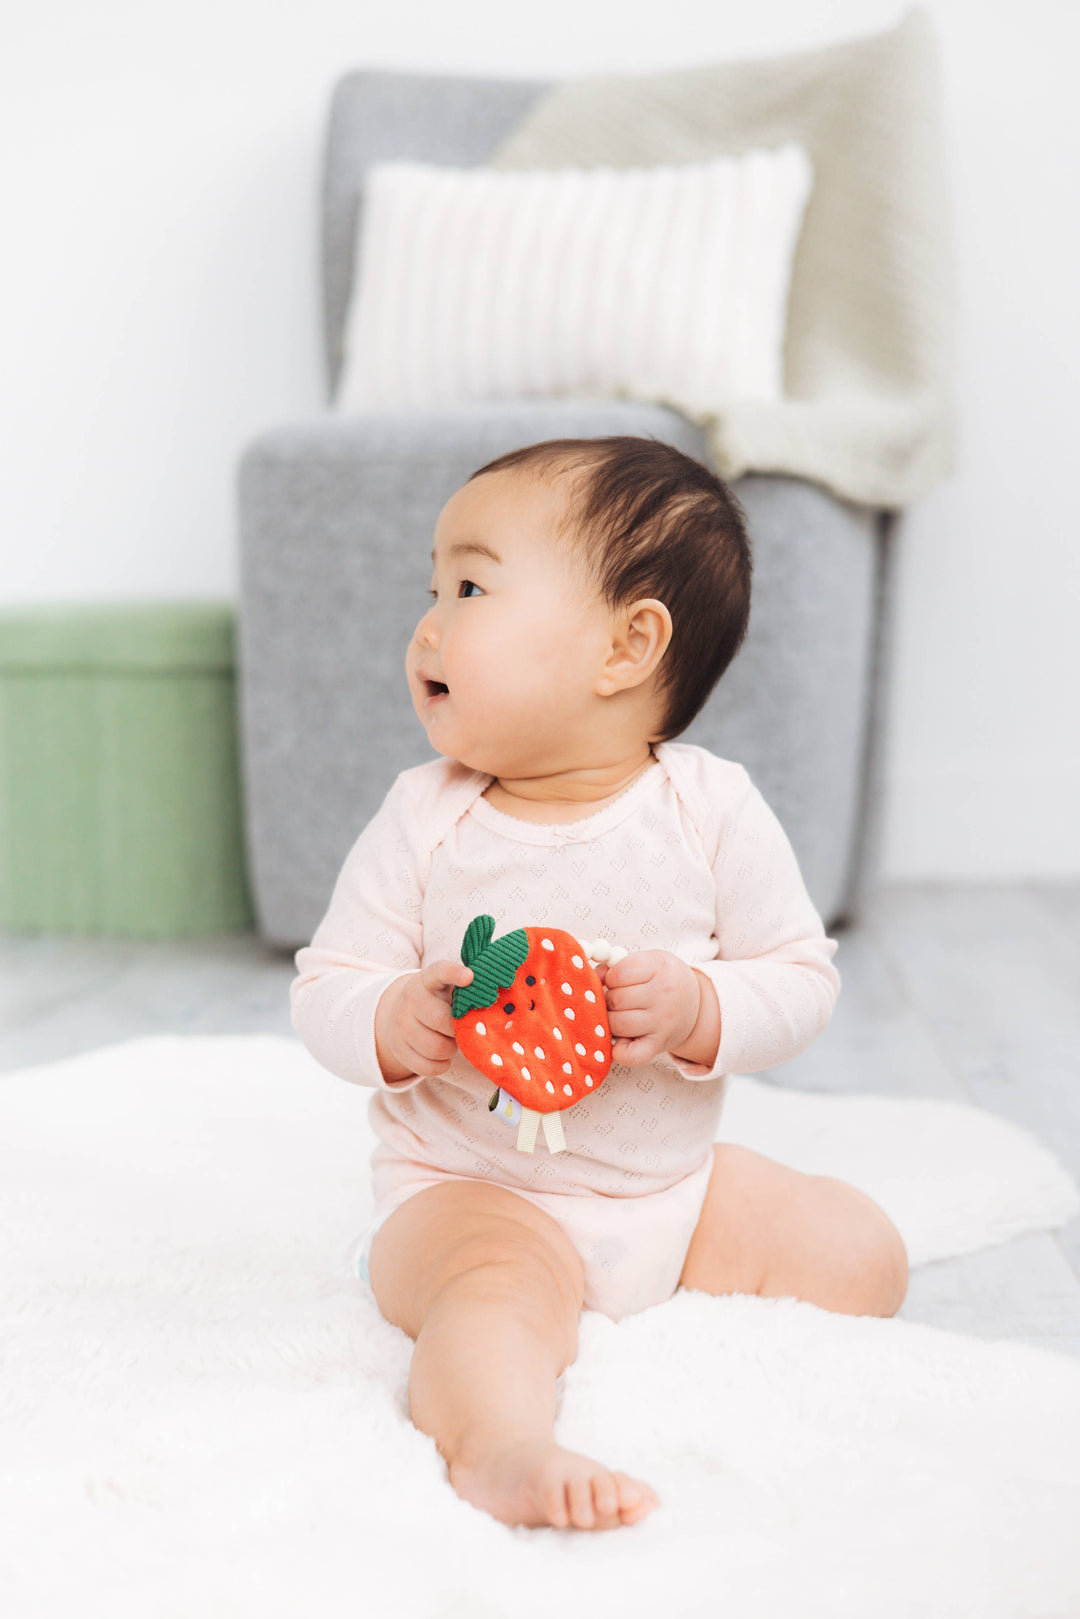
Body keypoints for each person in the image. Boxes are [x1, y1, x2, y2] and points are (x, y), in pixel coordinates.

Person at [290, 435, 908, 1534]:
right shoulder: (426, 817)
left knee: (860, 1250)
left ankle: (655, 1284)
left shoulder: (711, 809)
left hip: (666, 1189)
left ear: (627, 646)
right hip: (469, 1190)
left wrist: (703, 1006)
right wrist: (390, 1018)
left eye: (471, 588)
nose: (428, 625)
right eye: (433, 590)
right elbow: (325, 984)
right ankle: (501, 1444)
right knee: (492, 1299)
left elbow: (800, 979)